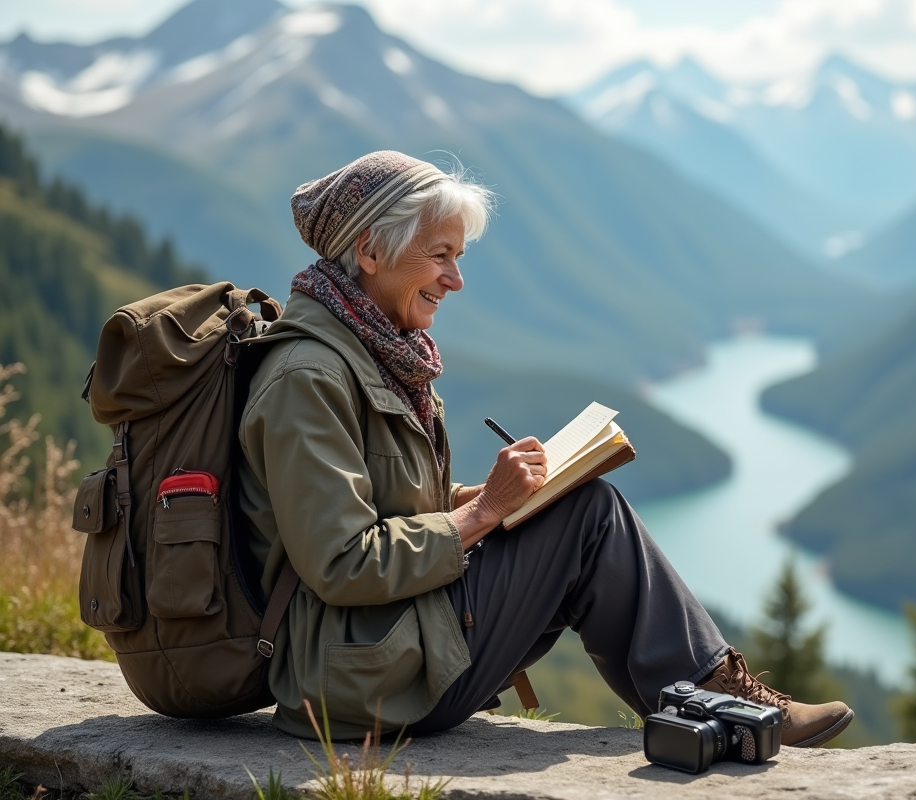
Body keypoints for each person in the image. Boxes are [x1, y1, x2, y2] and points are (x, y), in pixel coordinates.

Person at [237, 150, 854, 745]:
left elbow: (384, 506)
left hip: (378, 645)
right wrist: (481, 514)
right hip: (355, 679)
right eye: (440, 255)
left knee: (574, 506)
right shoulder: (308, 379)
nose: (455, 278)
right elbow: (345, 562)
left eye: (458, 256)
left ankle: (708, 705)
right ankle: (725, 704)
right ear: (370, 250)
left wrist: (487, 497)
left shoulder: (374, 355)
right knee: (590, 517)